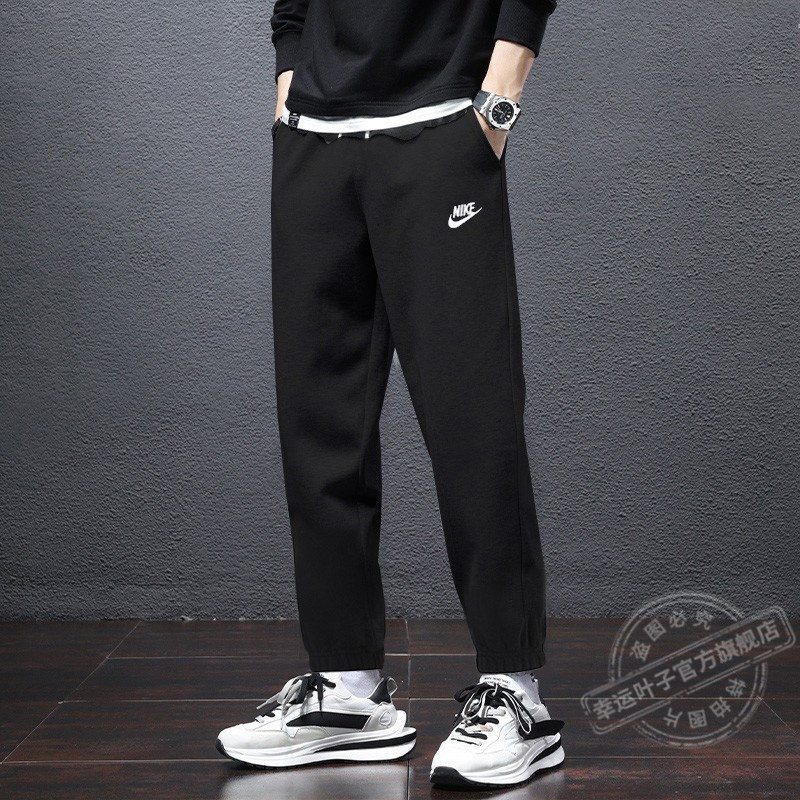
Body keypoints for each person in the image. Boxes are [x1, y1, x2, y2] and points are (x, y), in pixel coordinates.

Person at [216, 0, 565, 787]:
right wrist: (288, 89)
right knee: (319, 424)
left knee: (472, 417)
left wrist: (496, 105)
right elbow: (292, 8)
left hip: (441, 126)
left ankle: (515, 690)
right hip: (313, 137)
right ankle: (346, 689)